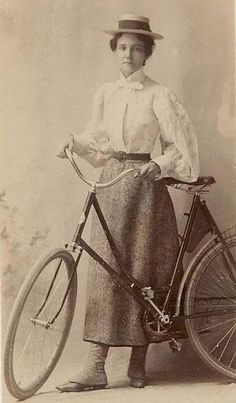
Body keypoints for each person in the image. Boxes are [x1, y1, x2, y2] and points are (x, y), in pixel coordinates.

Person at [56, 14, 199, 392]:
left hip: (144, 188)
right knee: (106, 272)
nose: (128, 54)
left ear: (147, 53)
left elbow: (177, 146)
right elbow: (99, 139)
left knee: (142, 271)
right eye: (122, 47)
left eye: (137, 48)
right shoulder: (106, 92)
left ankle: (139, 364)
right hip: (112, 184)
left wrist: (159, 164)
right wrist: (75, 141)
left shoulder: (158, 94)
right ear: (115, 51)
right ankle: (95, 366)